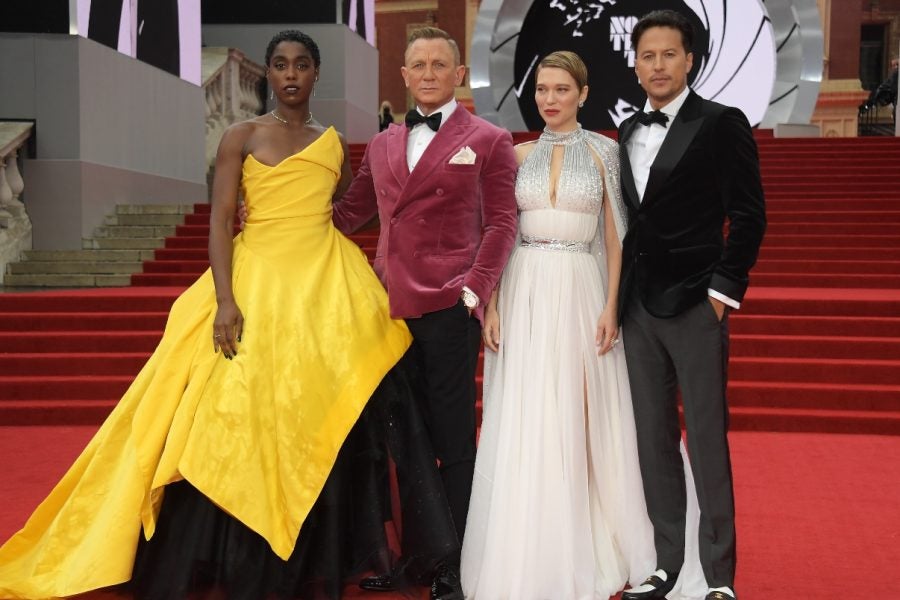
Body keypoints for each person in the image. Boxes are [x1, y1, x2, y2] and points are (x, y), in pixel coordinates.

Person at [0, 30, 448, 600]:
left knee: (325, 405)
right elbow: (218, 222)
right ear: (269, 73)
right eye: (280, 64)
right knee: (234, 410)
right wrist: (226, 300)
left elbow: (342, 211)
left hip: (327, 285)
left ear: (316, 74)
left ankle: (322, 547)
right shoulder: (241, 135)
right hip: (255, 279)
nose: (291, 74)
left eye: (302, 65)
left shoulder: (333, 142)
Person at [459, 50, 706, 600]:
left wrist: (611, 306)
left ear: (583, 93)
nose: (549, 99)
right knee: (529, 413)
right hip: (523, 291)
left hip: (580, 289)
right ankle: (533, 545)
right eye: (542, 89)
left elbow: (617, 238)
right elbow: (500, 234)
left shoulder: (605, 152)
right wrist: (491, 305)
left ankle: (598, 536)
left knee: (582, 412)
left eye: (561, 90)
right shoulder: (515, 154)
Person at [331, 26, 519, 600]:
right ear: (405, 75)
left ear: (459, 75)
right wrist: (275, 215)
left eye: (441, 64)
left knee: (451, 439)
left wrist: (474, 292)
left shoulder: (489, 139)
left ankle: (458, 563)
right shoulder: (382, 143)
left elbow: (502, 223)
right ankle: (415, 555)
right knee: (399, 440)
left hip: (447, 308)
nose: (430, 73)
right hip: (387, 312)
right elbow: (349, 214)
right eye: (420, 64)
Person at [617, 11, 766, 600]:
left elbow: (748, 214)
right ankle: (667, 565)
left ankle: (719, 577)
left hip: (697, 305)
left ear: (690, 61)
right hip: (638, 309)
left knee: (705, 440)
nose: (657, 66)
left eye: (669, 55)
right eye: (647, 56)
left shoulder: (721, 123)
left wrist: (721, 293)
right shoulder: (627, 131)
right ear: (635, 64)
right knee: (653, 441)